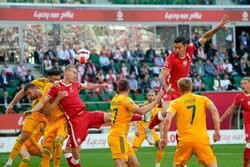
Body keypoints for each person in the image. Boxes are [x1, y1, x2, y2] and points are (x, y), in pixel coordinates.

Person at [145, 15, 230, 144]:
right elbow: (161, 76)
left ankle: (181, 149)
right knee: (166, 111)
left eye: (179, 47)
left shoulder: (191, 49)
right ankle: (149, 128)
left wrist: (218, 27)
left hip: (181, 90)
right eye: (175, 47)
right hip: (169, 87)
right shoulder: (171, 58)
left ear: (185, 46)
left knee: (182, 118)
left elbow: (205, 37)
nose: (176, 50)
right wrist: (166, 86)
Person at [28, 64, 111, 167]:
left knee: (111, 116)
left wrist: (100, 85)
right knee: (75, 152)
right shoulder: (56, 87)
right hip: (75, 121)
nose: (76, 75)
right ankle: (75, 163)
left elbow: (87, 85)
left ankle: (136, 116)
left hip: (85, 114)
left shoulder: (75, 84)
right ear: (66, 72)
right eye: (74, 72)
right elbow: (42, 102)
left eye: (76, 73)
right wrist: (32, 110)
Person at [4, 68, 62, 167]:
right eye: (54, 80)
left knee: (51, 149)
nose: (57, 82)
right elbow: (23, 91)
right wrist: (12, 104)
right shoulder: (38, 83)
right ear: (48, 78)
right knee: (24, 137)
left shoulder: (59, 86)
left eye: (58, 80)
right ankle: (9, 162)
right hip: (36, 114)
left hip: (49, 117)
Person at [160, 77, 221, 167]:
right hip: (201, 139)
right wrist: (217, 131)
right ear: (191, 87)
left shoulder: (175, 103)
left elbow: (168, 119)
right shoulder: (203, 99)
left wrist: (164, 138)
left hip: (185, 141)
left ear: (179, 88)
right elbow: (214, 111)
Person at [108, 79, 163, 167]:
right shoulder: (126, 100)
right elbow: (141, 111)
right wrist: (156, 101)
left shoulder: (115, 98)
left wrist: (140, 117)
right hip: (119, 135)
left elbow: (126, 115)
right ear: (129, 88)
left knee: (135, 165)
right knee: (120, 164)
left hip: (120, 135)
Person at [220, 77, 250, 167]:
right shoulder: (239, 97)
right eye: (241, 84)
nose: (243, 85)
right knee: (249, 143)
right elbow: (231, 109)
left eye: (245, 83)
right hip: (248, 123)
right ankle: (245, 164)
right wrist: (221, 119)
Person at [131, 90, 164, 167]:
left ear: (156, 96)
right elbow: (134, 118)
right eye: (149, 95)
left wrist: (162, 134)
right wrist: (136, 129)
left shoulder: (158, 108)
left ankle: (157, 165)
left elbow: (159, 122)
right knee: (133, 149)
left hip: (150, 130)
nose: (150, 97)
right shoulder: (142, 106)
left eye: (152, 95)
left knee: (161, 146)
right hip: (141, 130)